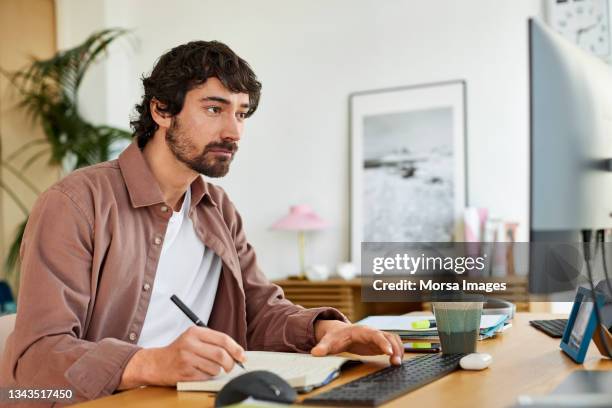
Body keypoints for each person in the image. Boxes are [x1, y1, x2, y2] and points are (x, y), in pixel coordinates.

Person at [0, 40, 403, 403]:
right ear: (161, 110)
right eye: (214, 109)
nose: (234, 131)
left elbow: (258, 311)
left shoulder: (218, 208)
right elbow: (38, 356)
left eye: (241, 113)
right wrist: (151, 363)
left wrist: (326, 332)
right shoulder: (75, 203)